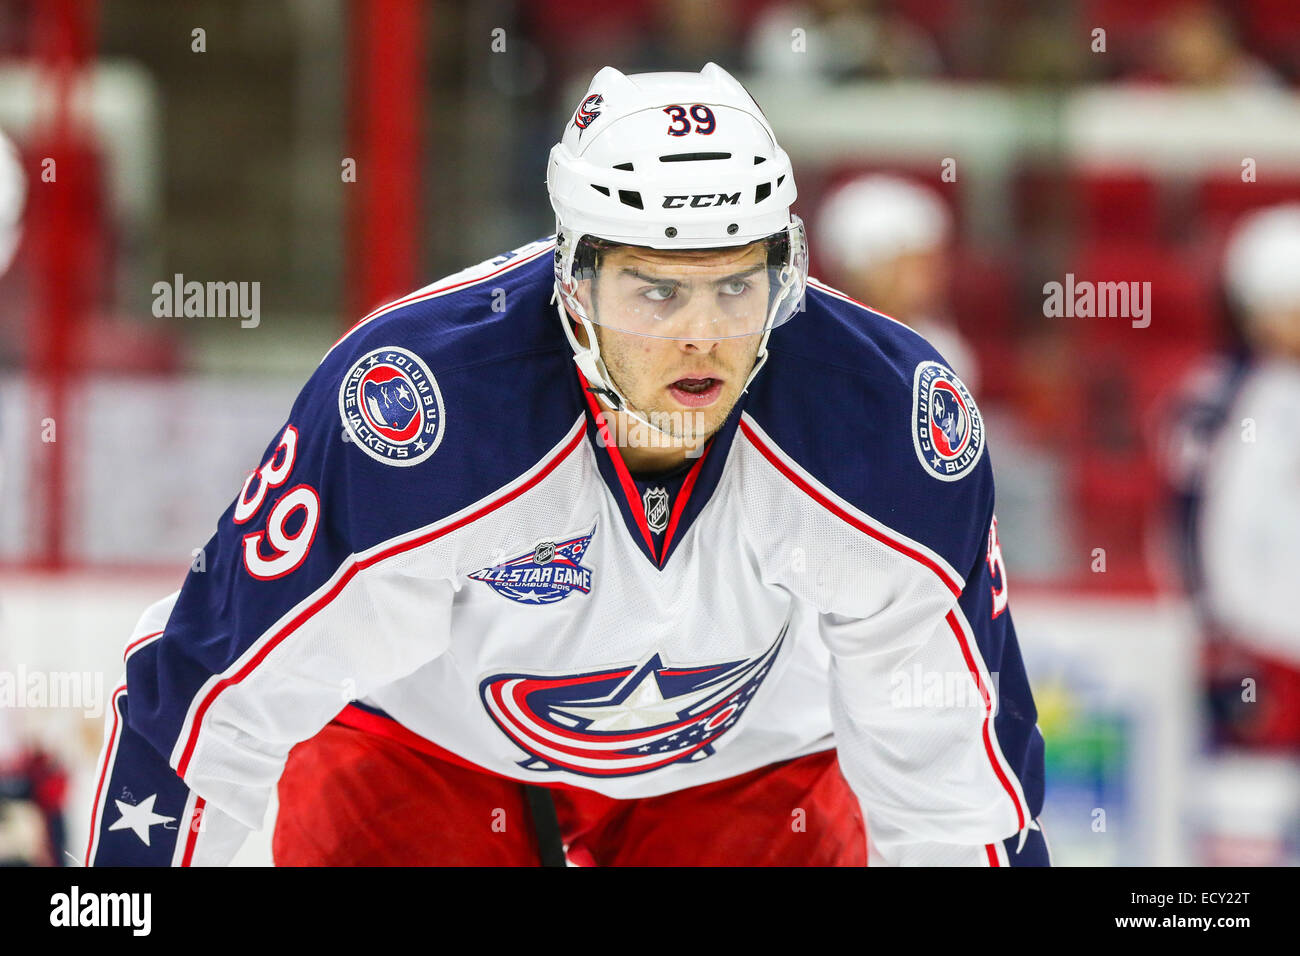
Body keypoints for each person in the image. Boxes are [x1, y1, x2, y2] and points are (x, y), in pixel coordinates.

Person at [86, 62, 1047, 867]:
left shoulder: (888, 424)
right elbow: (210, 706)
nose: (704, 338)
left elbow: (953, 783)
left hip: (756, 768)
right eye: (657, 291)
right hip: (420, 751)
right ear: (574, 278)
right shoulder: (418, 408)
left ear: (785, 269)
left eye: (737, 285)